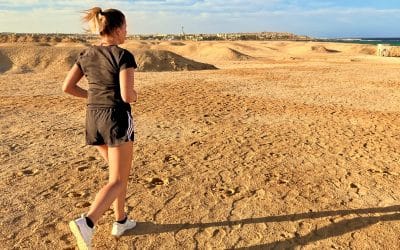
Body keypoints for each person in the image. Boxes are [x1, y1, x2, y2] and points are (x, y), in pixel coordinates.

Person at [62, 7, 138, 249]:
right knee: (117, 178)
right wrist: (135, 95)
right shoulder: (123, 55)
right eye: (125, 27)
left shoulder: (86, 54)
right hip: (116, 118)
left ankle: (121, 220)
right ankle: (88, 222)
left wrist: (93, 96)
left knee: (118, 175)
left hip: (93, 118)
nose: (127, 31)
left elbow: (68, 87)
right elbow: (127, 95)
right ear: (116, 29)